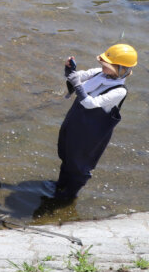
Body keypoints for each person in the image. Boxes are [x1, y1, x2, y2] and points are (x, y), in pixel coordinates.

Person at [51, 44, 136, 201]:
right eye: (102, 63)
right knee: (66, 151)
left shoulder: (119, 91)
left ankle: (69, 195)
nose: (102, 67)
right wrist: (70, 70)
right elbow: (78, 77)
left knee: (80, 162)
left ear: (121, 70)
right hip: (75, 120)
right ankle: (60, 183)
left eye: (107, 66)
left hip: (91, 132)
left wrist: (76, 84)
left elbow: (90, 103)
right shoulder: (98, 73)